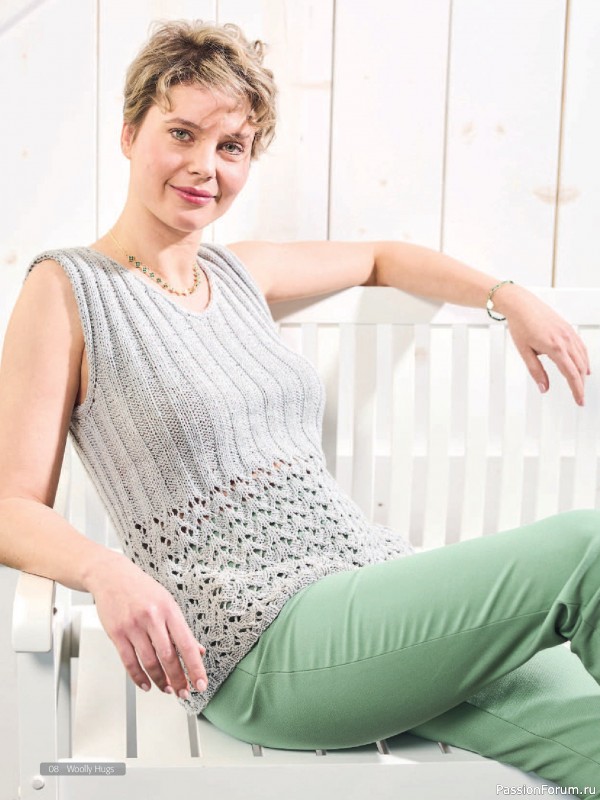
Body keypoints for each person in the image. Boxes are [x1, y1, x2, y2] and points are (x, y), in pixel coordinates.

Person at [1, 18, 599, 796]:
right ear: (128, 133)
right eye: (181, 133)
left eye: (232, 147)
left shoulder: (240, 275)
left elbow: (381, 258)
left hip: (368, 597)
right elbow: (10, 505)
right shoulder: (68, 290)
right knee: (588, 547)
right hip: (257, 644)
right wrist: (104, 568)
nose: (205, 165)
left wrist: (505, 294)